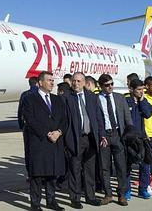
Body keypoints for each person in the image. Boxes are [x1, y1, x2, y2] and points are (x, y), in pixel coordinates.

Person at [22, 71, 68, 211]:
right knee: (37, 175)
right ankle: (35, 204)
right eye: (49, 80)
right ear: (40, 83)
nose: (52, 83)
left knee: (52, 174)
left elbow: (64, 119)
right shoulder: (30, 99)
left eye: (53, 80)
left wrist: (59, 132)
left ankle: (51, 200)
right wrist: (47, 133)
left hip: (55, 142)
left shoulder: (57, 99)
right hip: (39, 142)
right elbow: (30, 120)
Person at [63, 72, 104, 209]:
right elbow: (64, 121)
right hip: (76, 138)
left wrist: (101, 135)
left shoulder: (92, 97)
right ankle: (75, 198)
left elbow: (98, 117)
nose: (75, 84)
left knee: (89, 169)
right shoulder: (66, 98)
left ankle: (90, 196)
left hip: (90, 138)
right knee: (74, 169)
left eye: (79, 81)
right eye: (74, 81)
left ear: (84, 82)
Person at [97, 74, 133, 206]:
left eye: (111, 84)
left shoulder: (119, 98)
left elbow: (127, 118)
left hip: (118, 135)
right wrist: (101, 135)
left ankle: (122, 194)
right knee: (104, 167)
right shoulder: (96, 99)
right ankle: (108, 194)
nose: (110, 87)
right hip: (104, 137)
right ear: (100, 86)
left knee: (121, 167)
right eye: (107, 85)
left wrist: (129, 135)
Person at [124, 78, 152, 200]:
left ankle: (143, 189)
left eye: (143, 89)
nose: (142, 92)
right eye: (139, 89)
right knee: (127, 166)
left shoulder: (143, 101)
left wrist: (142, 101)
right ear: (131, 89)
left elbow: (148, 114)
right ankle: (127, 191)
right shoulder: (125, 101)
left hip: (141, 138)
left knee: (145, 165)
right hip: (129, 139)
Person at [18, 77, 39, 179]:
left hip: (27, 127)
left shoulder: (25, 95)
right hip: (39, 128)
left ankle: (30, 173)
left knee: (28, 151)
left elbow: (20, 111)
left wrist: (21, 124)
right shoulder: (40, 94)